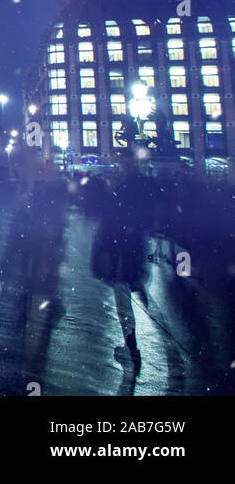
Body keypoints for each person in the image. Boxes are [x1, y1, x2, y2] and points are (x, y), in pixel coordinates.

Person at [90, 154, 152, 371]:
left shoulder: (118, 195)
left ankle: (132, 348)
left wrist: (103, 254)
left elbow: (108, 227)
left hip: (120, 255)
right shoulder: (137, 192)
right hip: (132, 251)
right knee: (128, 291)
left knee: (123, 301)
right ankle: (132, 343)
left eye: (116, 169)